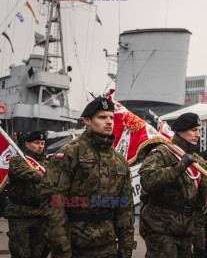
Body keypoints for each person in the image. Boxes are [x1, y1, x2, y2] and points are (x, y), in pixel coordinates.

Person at [40, 97, 136, 258]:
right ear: (87, 121)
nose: (109, 122)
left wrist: (126, 248)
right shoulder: (69, 153)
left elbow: (125, 207)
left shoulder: (119, 161)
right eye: (102, 117)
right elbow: (52, 203)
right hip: (75, 246)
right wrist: (62, 249)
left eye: (111, 117)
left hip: (108, 247)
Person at [139, 112, 207, 258]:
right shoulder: (162, 153)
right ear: (180, 131)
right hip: (159, 228)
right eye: (193, 130)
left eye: (199, 131)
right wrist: (180, 166)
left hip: (185, 230)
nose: (198, 135)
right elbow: (148, 180)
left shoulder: (199, 162)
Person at [5, 131, 47, 257]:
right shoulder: (17, 161)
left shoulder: (47, 163)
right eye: (36, 143)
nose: (40, 146)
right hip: (20, 215)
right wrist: (47, 177)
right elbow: (29, 174)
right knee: (20, 253)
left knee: (38, 253)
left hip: (40, 214)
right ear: (27, 144)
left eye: (42, 143)